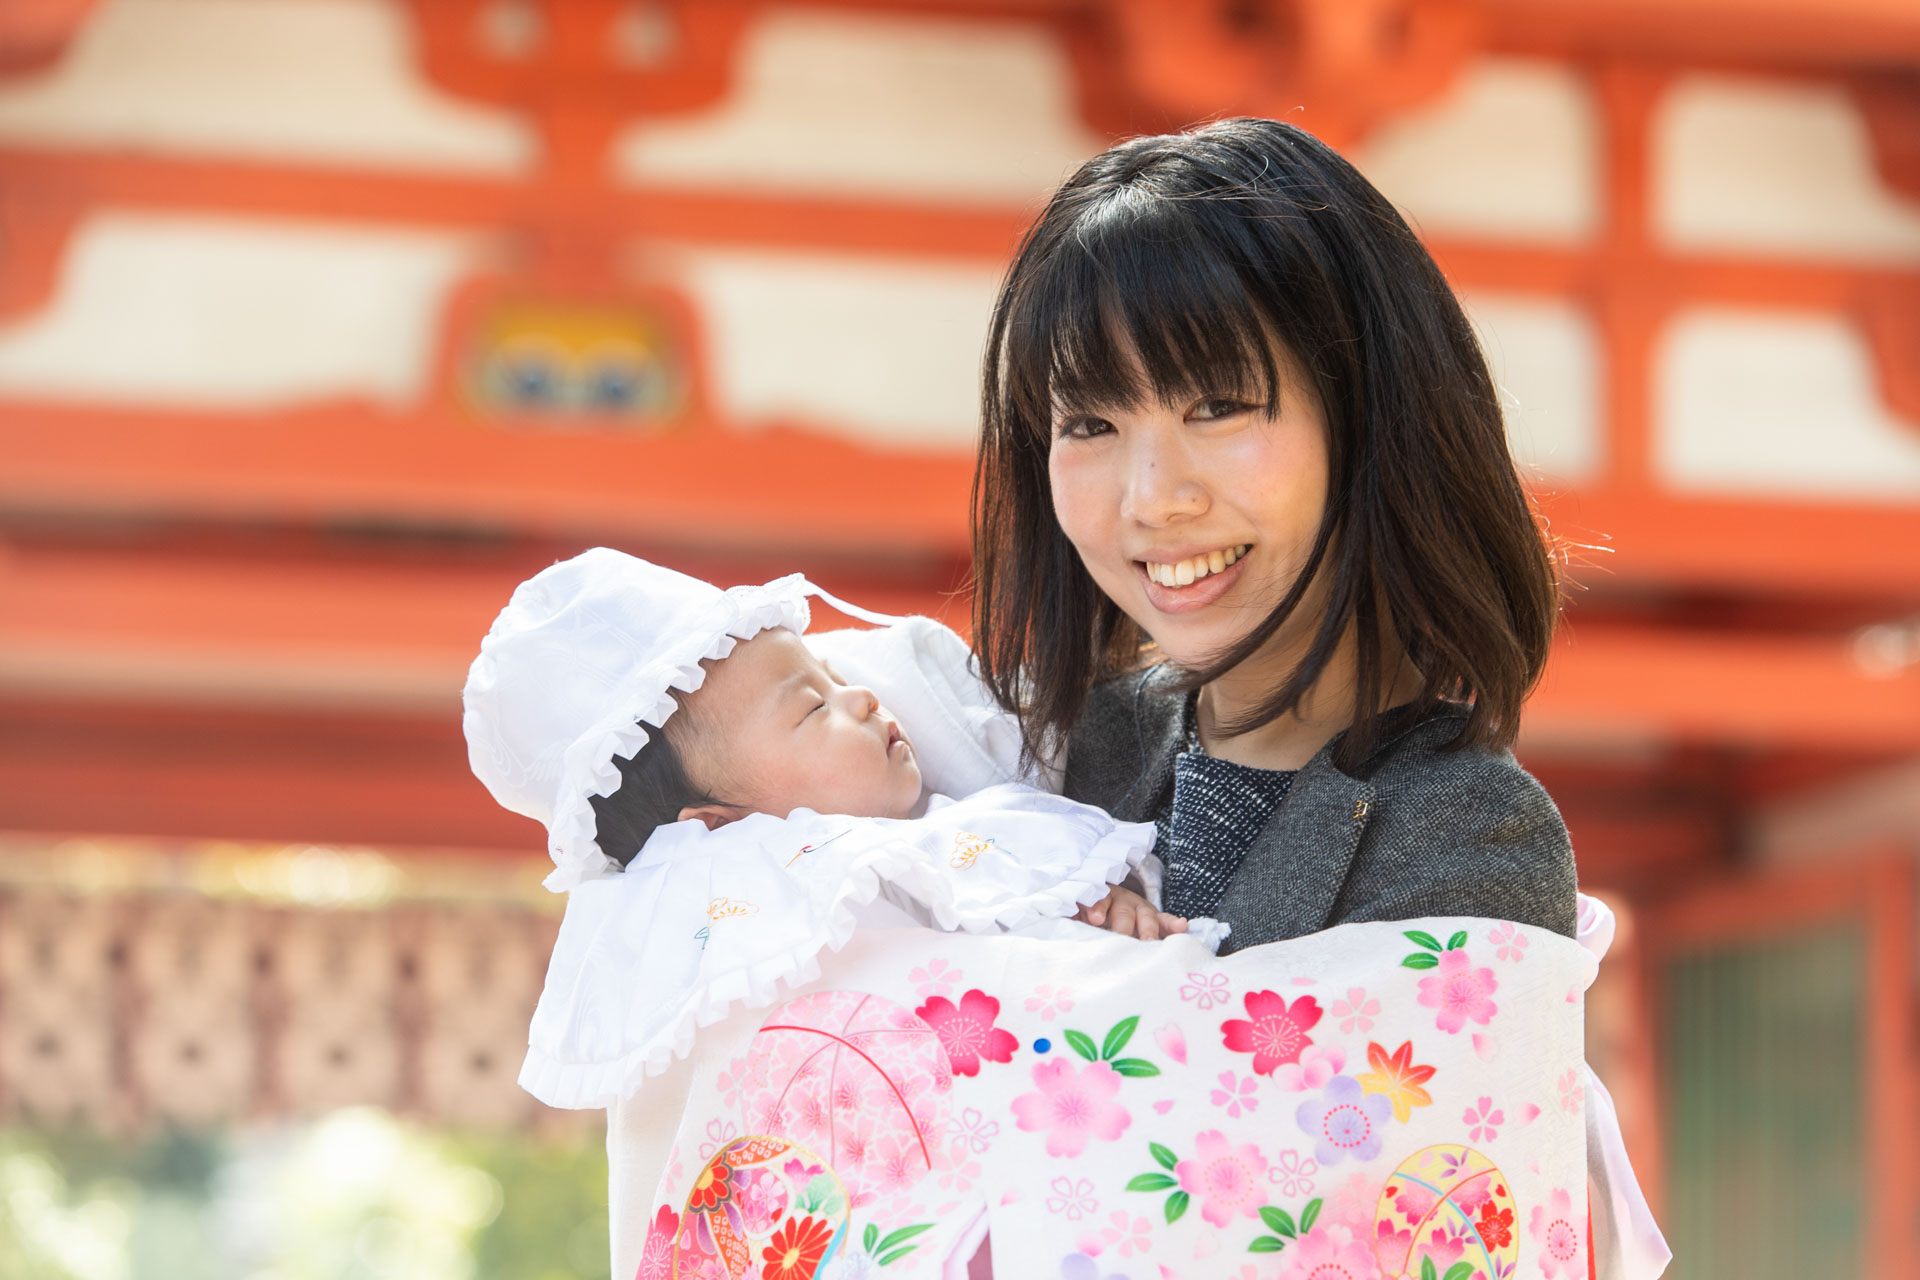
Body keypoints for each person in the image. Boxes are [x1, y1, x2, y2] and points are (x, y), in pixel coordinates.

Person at [971, 118, 1577, 951]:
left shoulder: (1468, 839)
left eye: (1217, 407)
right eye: (1087, 423)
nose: (1150, 500)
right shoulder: (1051, 749)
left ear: (1370, 415)